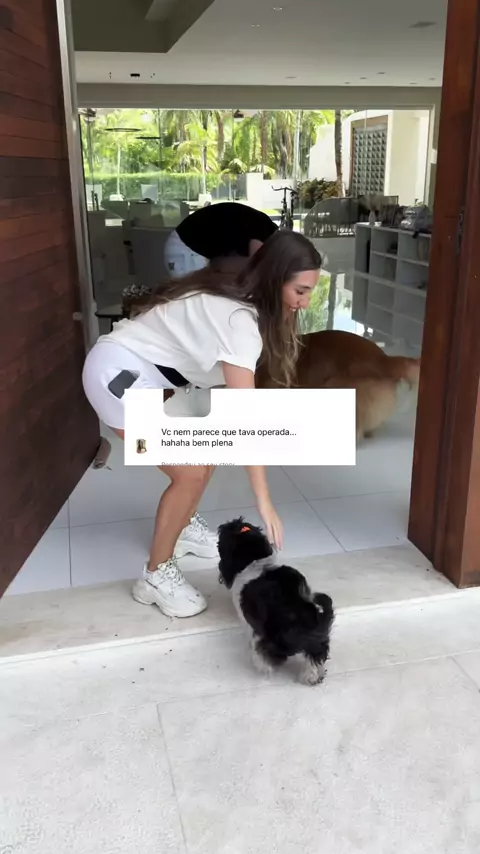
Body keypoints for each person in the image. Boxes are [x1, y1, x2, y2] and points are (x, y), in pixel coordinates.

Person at [82, 230, 321, 620]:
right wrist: (263, 500)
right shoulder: (240, 322)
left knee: (204, 457)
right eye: (300, 291)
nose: (305, 302)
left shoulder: (241, 294)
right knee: (190, 472)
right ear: (276, 278)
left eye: (310, 291)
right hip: (117, 376)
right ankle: (155, 577)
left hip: (149, 376)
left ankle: (180, 526)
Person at [164, 201, 278, 277]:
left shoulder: (260, 225)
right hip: (186, 249)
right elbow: (257, 268)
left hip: (183, 245)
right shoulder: (264, 232)